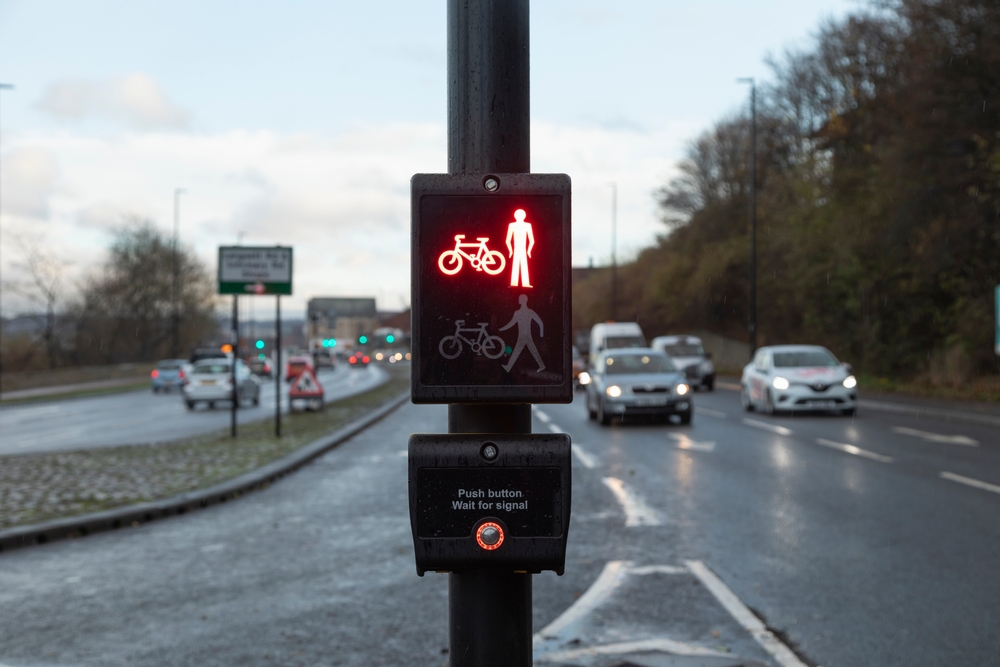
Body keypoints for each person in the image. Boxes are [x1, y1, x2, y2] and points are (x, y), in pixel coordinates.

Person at [500, 294, 545, 373]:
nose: (519, 300)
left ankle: (541, 365)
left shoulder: (529, 312)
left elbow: (540, 322)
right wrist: (502, 329)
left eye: (520, 298)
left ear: (524, 300)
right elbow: (511, 323)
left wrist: (541, 333)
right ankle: (508, 367)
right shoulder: (517, 312)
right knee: (522, 351)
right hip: (522, 337)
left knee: (532, 351)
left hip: (526, 336)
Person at [505, 208, 534, 288]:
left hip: (522, 249)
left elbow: (532, 240)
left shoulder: (527, 225)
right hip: (517, 248)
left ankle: (525, 283)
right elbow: (508, 240)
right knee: (518, 265)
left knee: (523, 265)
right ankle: (515, 283)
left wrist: (529, 250)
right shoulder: (512, 225)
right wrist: (510, 250)